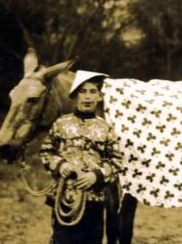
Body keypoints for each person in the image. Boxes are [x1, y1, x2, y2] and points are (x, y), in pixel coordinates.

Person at [40, 70, 123, 244]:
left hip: (94, 198)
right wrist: (60, 165)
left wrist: (96, 175)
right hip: (65, 198)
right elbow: (46, 151)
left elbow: (117, 160)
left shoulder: (105, 128)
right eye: (83, 91)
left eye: (93, 92)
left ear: (99, 97)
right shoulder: (61, 124)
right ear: (75, 96)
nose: (88, 97)